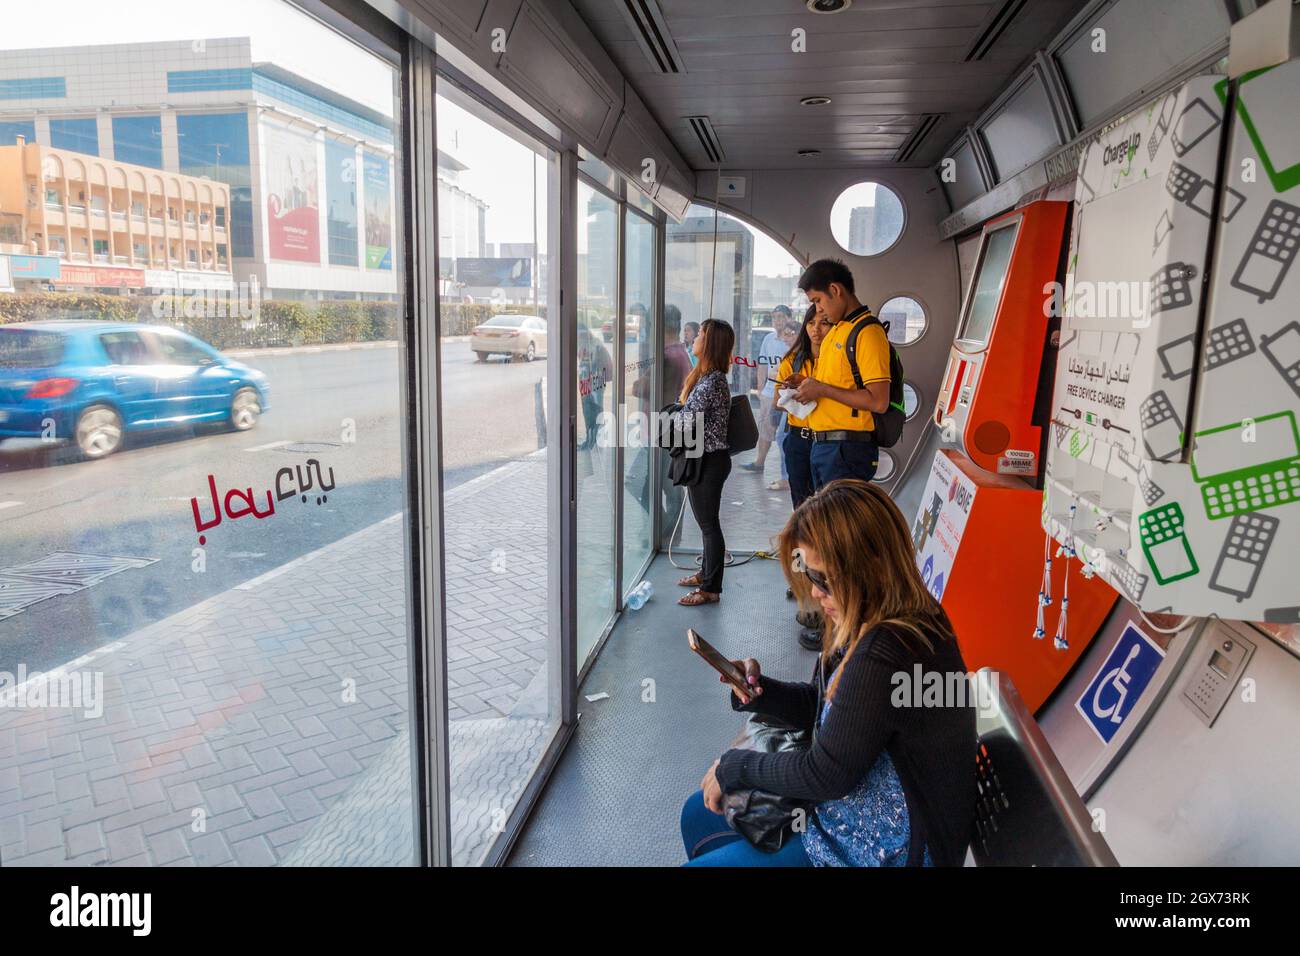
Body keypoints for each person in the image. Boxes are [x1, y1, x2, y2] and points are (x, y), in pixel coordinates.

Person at [680, 479, 977, 867]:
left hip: (884, 848)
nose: (815, 592)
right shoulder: (881, 617)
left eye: (822, 578)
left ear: (868, 566)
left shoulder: (890, 650)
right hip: (848, 815)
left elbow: (826, 774)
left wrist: (734, 767)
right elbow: (828, 707)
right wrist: (761, 692)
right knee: (696, 814)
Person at [788, 259, 890, 488]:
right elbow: (841, 383)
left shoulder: (867, 332)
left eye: (817, 300)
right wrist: (808, 384)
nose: (817, 309)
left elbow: (879, 400)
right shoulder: (837, 331)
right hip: (824, 446)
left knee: (838, 523)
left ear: (835, 290)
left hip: (846, 449)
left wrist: (821, 388)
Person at [671, 318, 734, 607]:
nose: (695, 337)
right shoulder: (709, 378)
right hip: (705, 459)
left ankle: (711, 588)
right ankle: (705, 574)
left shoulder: (712, 382)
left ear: (709, 343)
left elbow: (686, 420)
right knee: (707, 523)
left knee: (709, 526)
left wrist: (672, 414)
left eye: (700, 334)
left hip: (708, 461)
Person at [740, 306, 796, 482]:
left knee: (784, 436)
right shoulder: (768, 339)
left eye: (780, 317)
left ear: (789, 318)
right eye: (774, 317)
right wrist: (761, 389)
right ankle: (759, 462)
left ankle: (785, 475)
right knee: (766, 430)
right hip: (769, 393)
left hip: (786, 395)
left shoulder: (793, 340)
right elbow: (762, 365)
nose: (777, 321)